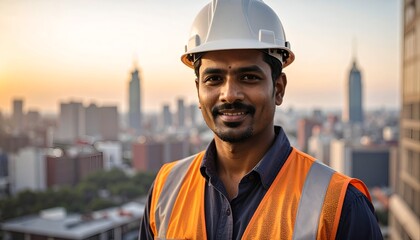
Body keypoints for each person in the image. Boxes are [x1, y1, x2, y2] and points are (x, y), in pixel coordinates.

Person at [139, 0, 383, 239]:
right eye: (213, 79)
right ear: (198, 91)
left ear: (278, 88)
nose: (229, 94)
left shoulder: (340, 206)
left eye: (248, 77)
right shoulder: (166, 189)